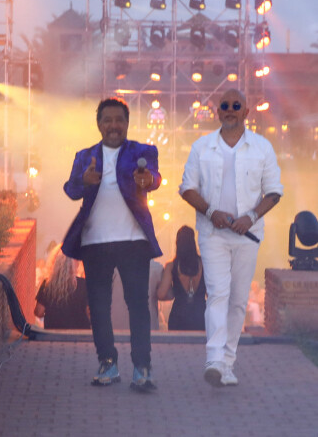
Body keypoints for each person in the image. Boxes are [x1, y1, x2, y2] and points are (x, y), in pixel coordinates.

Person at [179, 88, 283, 387]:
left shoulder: (262, 148)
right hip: (213, 233)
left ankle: (227, 362)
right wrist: (211, 212)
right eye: (224, 105)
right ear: (217, 111)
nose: (230, 109)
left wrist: (250, 217)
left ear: (246, 112)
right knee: (218, 293)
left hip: (247, 235)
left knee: (238, 301)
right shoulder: (202, 147)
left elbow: (274, 191)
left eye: (236, 105)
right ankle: (213, 359)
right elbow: (187, 188)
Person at [62, 97, 162, 392]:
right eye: (108, 120)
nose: (114, 125)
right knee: (99, 306)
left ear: (127, 124)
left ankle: (142, 368)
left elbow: (154, 178)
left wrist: (147, 180)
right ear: (99, 124)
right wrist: (85, 179)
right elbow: (71, 190)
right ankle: (108, 362)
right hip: (95, 242)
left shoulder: (144, 151)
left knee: (138, 306)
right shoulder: (85, 156)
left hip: (134, 240)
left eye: (119, 120)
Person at [157, 226, 206, 331]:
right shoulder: (205, 264)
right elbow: (211, 294)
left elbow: (162, 293)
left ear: (177, 243)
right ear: (193, 242)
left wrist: (175, 290)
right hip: (201, 314)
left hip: (179, 315)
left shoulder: (171, 266)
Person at [34, 243, 90, 330]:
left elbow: (39, 312)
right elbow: (90, 313)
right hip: (80, 336)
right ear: (74, 265)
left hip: (54, 335)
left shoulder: (47, 284)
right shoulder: (84, 285)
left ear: (56, 264)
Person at [112, 260, 164, 331]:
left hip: (116, 328)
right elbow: (167, 295)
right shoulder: (156, 268)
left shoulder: (110, 267)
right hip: (147, 329)